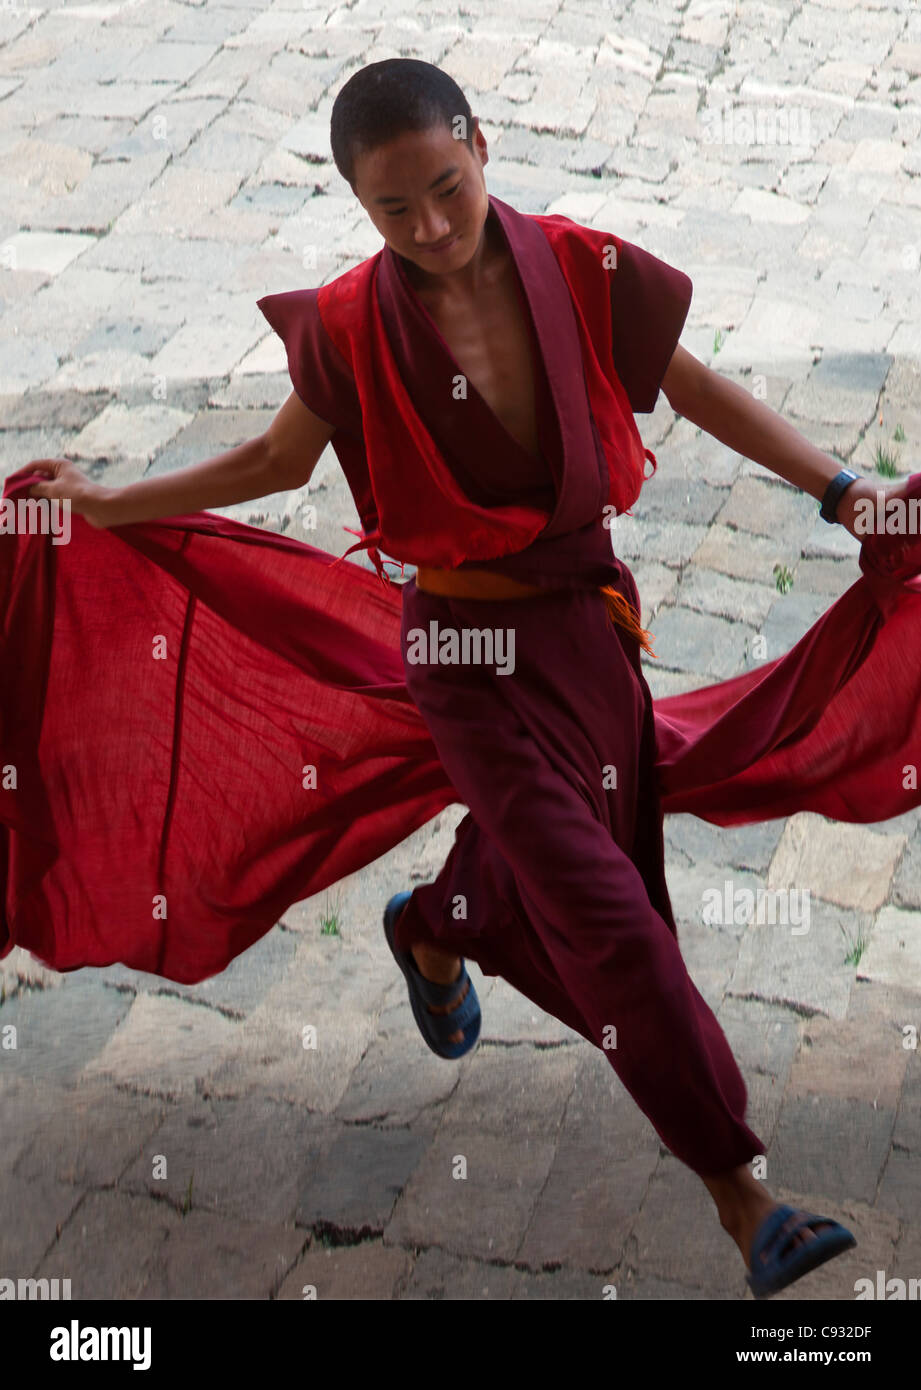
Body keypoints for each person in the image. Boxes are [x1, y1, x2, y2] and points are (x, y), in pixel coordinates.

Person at [13, 58, 921, 1298]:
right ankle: (741, 1194)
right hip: (463, 660)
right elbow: (277, 463)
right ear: (358, 205)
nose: (432, 228)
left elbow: (697, 388)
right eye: (397, 210)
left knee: (562, 856)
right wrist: (112, 502)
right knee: (610, 914)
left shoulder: (583, 266)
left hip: (591, 645)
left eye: (449, 187)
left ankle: (435, 928)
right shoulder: (344, 325)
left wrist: (840, 489)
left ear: (482, 144)